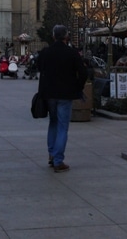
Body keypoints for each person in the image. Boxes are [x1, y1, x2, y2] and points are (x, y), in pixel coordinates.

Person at [37, 25, 87, 173]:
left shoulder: (46, 52)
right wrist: (77, 87)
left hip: (50, 94)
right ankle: (58, 160)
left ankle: (52, 154)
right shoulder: (71, 53)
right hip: (66, 94)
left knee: (53, 123)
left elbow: (39, 67)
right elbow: (83, 73)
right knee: (63, 126)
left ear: (53, 36)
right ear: (66, 37)